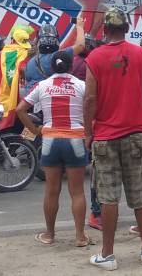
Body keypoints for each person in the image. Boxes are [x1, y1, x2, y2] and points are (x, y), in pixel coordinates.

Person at [84, 8, 142, 270]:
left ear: (104, 30)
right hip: (136, 133)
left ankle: (108, 255)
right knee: (141, 193)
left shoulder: (94, 57)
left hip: (105, 136)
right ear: (127, 28)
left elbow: (90, 99)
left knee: (108, 197)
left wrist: (87, 132)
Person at [16, 52, 92, 247]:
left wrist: (35, 130)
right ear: (70, 66)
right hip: (75, 138)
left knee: (51, 191)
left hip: (50, 139)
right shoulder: (82, 85)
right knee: (77, 192)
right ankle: (80, 236)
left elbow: (20, 109)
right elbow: (93, 107)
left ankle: (49, 234)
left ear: (51, 67)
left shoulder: (42, 85)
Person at [23, 13, 86, 93]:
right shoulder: (58, 57)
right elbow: (80, 46)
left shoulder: (30, 63)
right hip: (49, 100)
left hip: (31, 101)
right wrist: (80, 27)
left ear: (39, 41)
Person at [0, 27, 33, 130]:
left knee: (3, 113)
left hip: (2, 90)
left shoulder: (1, 53)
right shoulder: (27, 54)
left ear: (13, 39)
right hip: (23, 93)